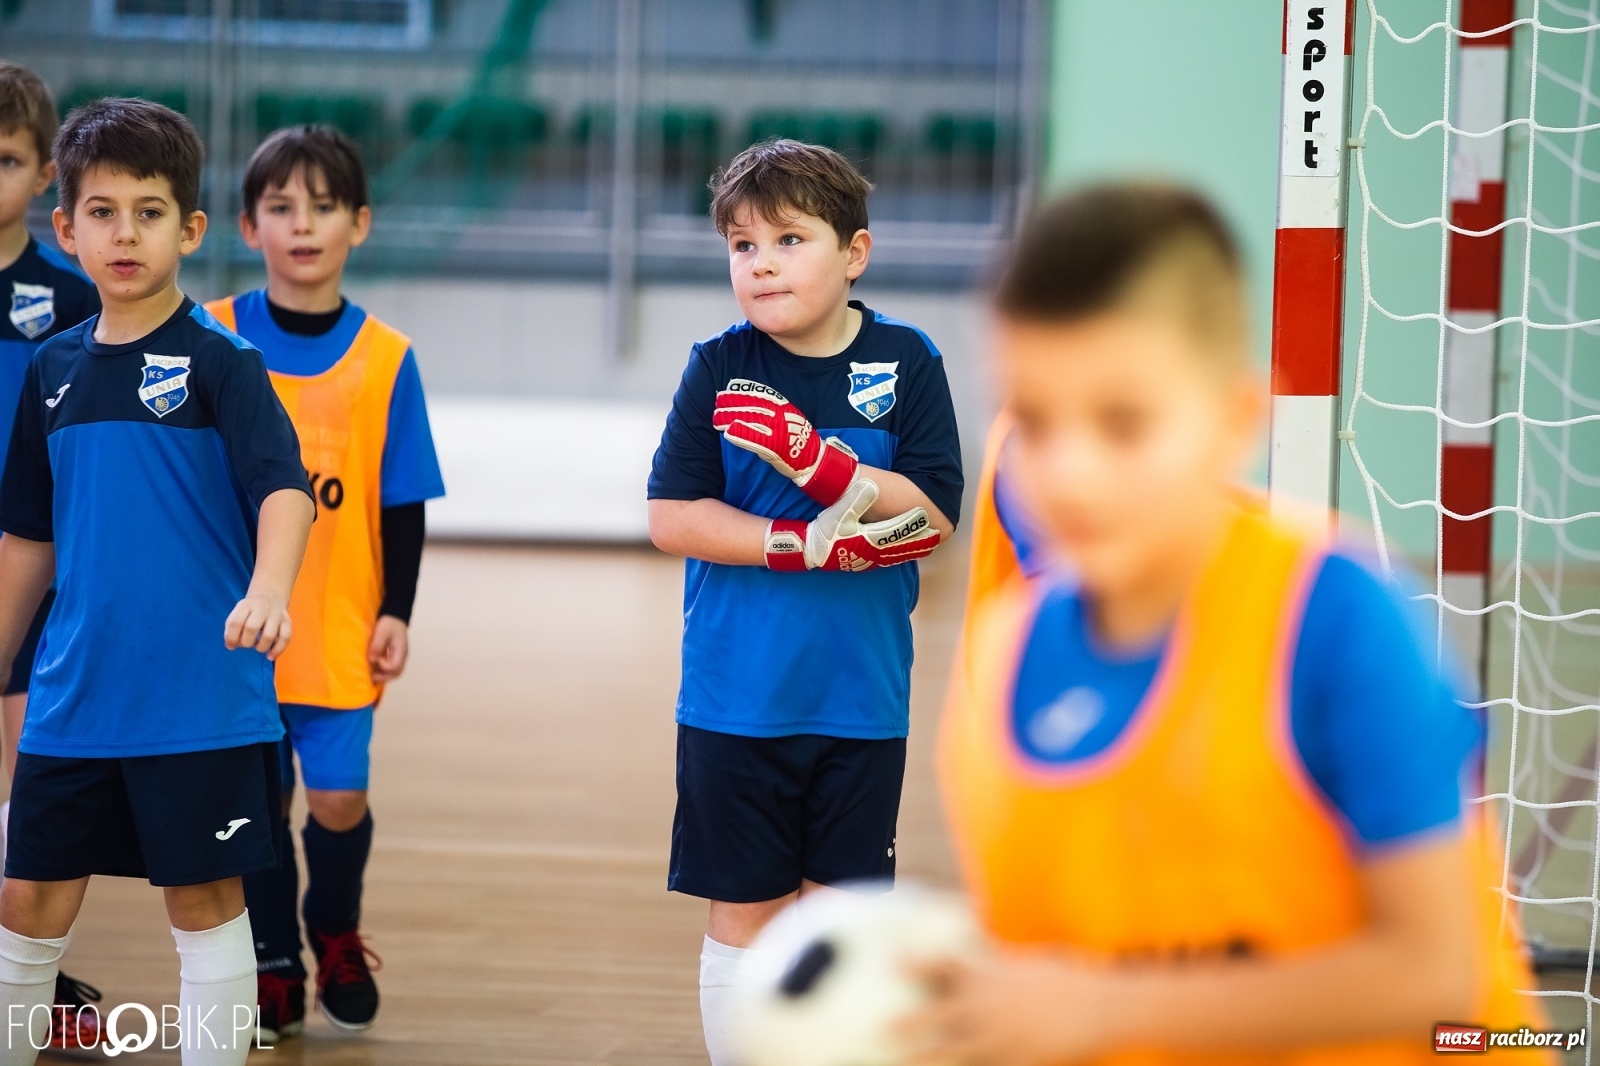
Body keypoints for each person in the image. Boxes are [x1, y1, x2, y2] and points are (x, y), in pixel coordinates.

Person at [920, 183, 1545, 1064]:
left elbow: (1436, 975)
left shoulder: (1339, 621)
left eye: (1123, 423)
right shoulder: (1007, 656)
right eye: (1034, 419)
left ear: (1236, 418)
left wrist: (1106, 1009)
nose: (1071, 473)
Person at [0, 97, 315, 1066]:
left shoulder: (225, 363)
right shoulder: (52, 369)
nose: (123, 231)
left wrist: (269, 589)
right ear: (67, 227)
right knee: (26, 903)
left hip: (200, 702)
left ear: (190, 229)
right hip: (74, 697)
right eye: (101, 211)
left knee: (205, 901)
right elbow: (26, 537)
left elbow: (287, 493)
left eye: (147, 211)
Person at [647, 139, 964, 1066]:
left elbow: (936, 514)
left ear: (854, 253)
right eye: (743, 247)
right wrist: (795, 542)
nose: (763, 264)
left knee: (840, 926)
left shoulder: (908, 360)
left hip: (860, 703)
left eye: (789, 239)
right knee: (742, 913)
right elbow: (672, 516)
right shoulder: (718, 363)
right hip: (734, 701)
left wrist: (825, 469)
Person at [205, 123, 444, 1042]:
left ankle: (333, 929)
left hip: (340, 630)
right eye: (280, 207)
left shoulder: (386, 357)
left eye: (323, 206)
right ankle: (272, 964)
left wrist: (398, 611)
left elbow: (403, 501)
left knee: (338, 797)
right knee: (257, 811)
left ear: (360, 223)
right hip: (237, 635)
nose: (302, 225)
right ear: (246, 223)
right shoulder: (213, 337)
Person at [0, 62, 104, 1051]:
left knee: (24, 772)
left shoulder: (72, 301)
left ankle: (30, 960)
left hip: (39, 567)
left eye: (5, 161)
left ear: (42, 179)